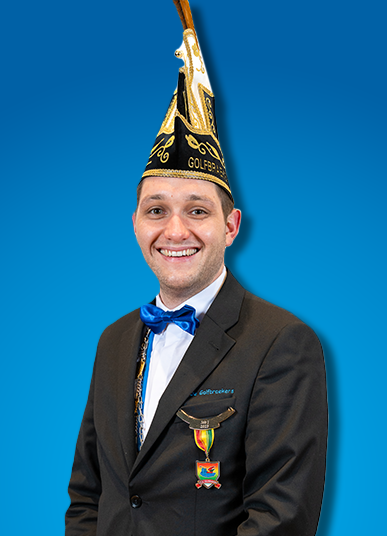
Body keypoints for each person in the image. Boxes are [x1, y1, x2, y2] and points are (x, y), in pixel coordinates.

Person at [65, 1, 327, 535]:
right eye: (156, 210)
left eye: (198, 211)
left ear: (231, 226)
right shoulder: (113, 340)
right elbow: (89, 497)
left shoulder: (282, 343)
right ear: (135, 224)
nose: (175, 230)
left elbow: (281, 518)